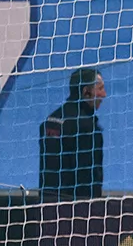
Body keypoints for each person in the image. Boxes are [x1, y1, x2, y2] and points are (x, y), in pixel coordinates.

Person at [40, 68, 106, 198]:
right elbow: (89, 178)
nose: (104, 94)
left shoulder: (51, 120)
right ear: (86, 92)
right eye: (100, 89)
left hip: (47, 205)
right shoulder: (87, 127)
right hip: (77, 209)